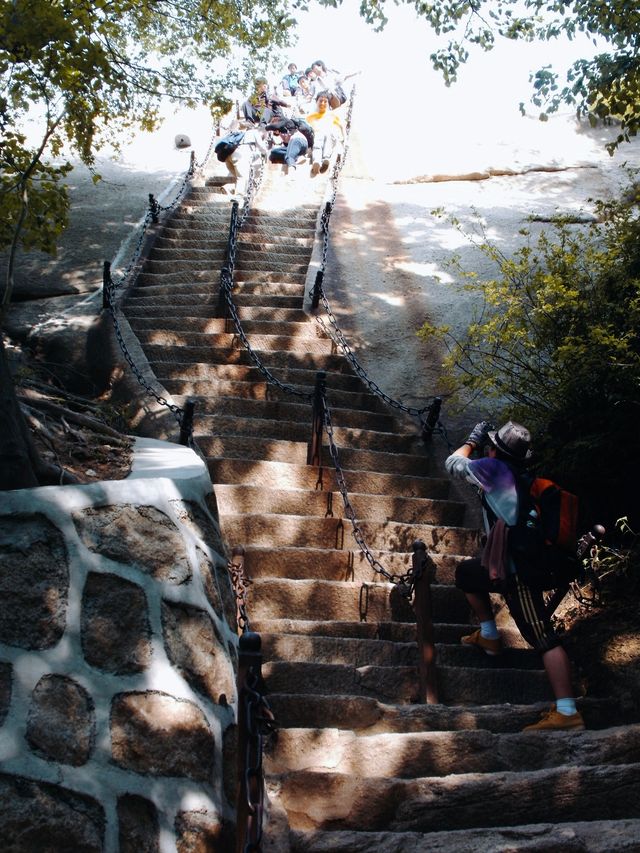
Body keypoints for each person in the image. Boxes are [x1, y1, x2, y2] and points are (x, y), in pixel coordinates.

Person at [445, 420, 586, 732]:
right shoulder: (518, 475)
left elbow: (452, 463)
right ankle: (490, 637)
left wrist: (471, 440)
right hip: (508, 562)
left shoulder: (494, 470)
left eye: (490, 444)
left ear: (495, 449)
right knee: (468, 573)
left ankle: (567, 712)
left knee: (542, 637)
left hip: (517, 569)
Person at [223, 123, 267, 200]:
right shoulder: (254, 132)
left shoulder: (240, 133)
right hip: (239, 155)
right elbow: (262, 147)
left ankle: (230, 188)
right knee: (243, 177)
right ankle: (238, 195)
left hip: (228, 156)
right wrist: (265, 155)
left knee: (240, 177)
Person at [306, 91, 344, 176]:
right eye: (320, 101)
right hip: (317, 136)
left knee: (328, 137)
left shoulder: (332, 115)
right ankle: (317, 161)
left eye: (325, 101)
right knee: (318, 141)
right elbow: (306, 127)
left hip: (330, 136)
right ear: (316, 102)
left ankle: (325, 160)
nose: (322, 103)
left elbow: (341, 127)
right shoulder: (312, 116)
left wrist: (344, 139)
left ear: (328, 104)